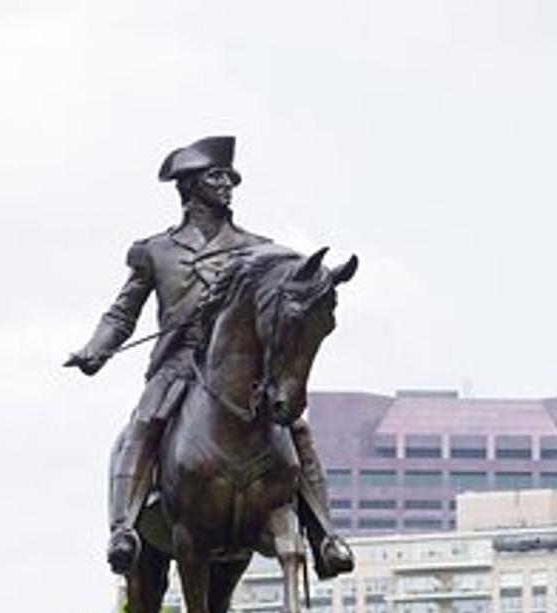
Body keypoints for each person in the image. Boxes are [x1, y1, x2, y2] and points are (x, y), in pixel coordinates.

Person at [66, 135, 353, 578]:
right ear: (189, 185)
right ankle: (124, 528)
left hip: (240, 369)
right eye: (215, 177)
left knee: (296, 427)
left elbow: (292, 294)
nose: (226, 185)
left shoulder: (259, 249)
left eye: (229, 178)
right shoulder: (155, 251)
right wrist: (95, 350)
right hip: (178, 364)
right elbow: (122, 314)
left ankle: (324, 537)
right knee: (145, 421)